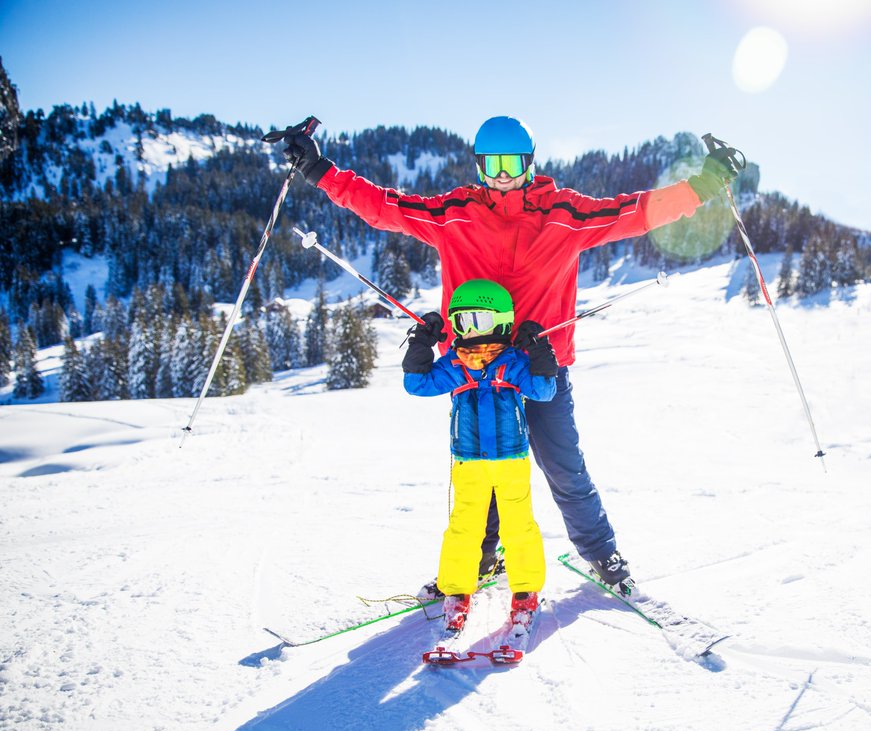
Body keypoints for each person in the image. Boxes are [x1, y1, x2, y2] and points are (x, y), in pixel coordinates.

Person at [282, 115, 739, 595]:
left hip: (541, 369)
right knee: (483, 469)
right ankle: (482, 559)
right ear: (480, 166)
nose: (503, 175)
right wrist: (320, 171)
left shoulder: (566, 213)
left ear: (530, 163)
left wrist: (704, 184)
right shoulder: (454, 211)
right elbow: (383, 206)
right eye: (493, 165)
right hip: (474, 368)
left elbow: (637, 211)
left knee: (563, 466)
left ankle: (603, 555)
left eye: (513, 164)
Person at [402, 278, 559, 635]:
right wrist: (422, 342)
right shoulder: (453, 364)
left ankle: (525, 592)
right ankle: (456, 591)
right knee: (464, 528)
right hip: (468, 462)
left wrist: (538, 350)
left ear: (502, 322)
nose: (470, 331)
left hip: (510, 461)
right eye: (462, 321)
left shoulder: (514, 362)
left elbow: (545, 390)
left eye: (480, 321)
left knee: (519, 527)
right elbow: (417, 384)